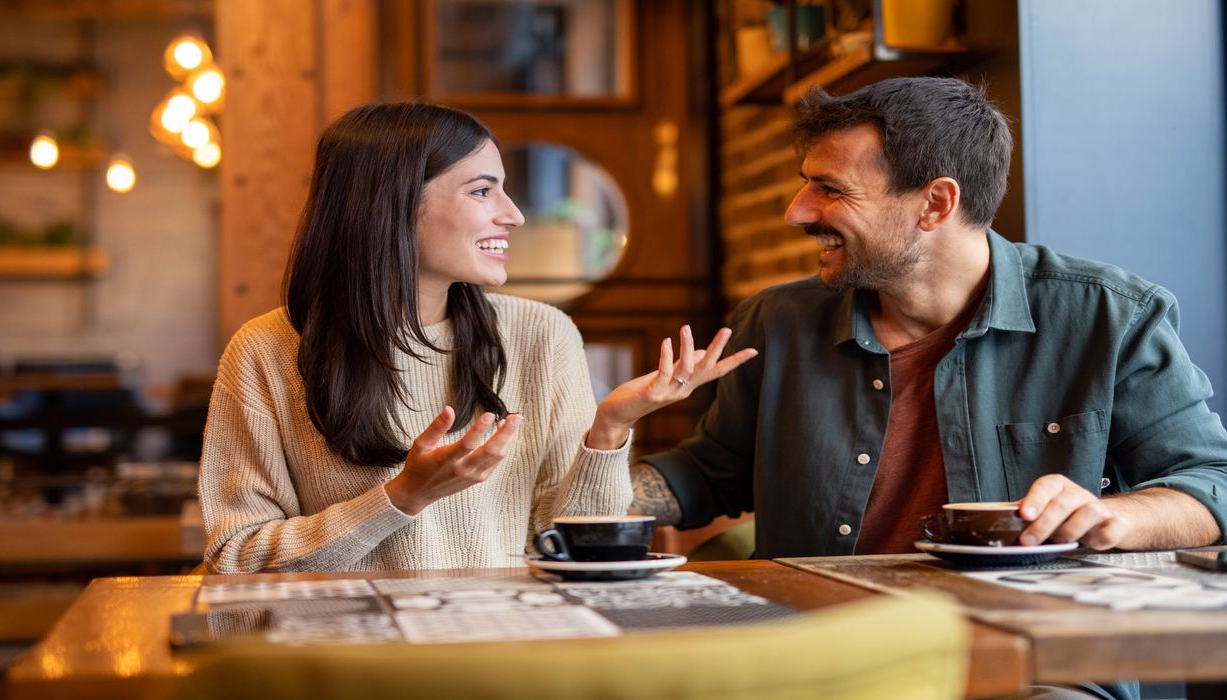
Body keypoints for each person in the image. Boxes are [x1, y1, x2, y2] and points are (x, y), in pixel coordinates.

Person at [630, 76, 1227, 699]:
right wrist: (597, 463)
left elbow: (1213, 483)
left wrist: (1111, 516)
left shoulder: (1110, 316)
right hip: (815, 662)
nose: (798, 211)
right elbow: (709, 472)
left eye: (830, 189)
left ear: (936, 204)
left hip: (1031, 671)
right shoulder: (775, 323)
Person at [199, 102, 754, 573]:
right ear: (390, 204)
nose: (512, 215)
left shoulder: (541, 335)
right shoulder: (267, 350)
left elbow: (569, 547)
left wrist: (609, 429)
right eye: (482, 190)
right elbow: (235, 557)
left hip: (504, 652)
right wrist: (401, 498)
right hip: (347, 663)